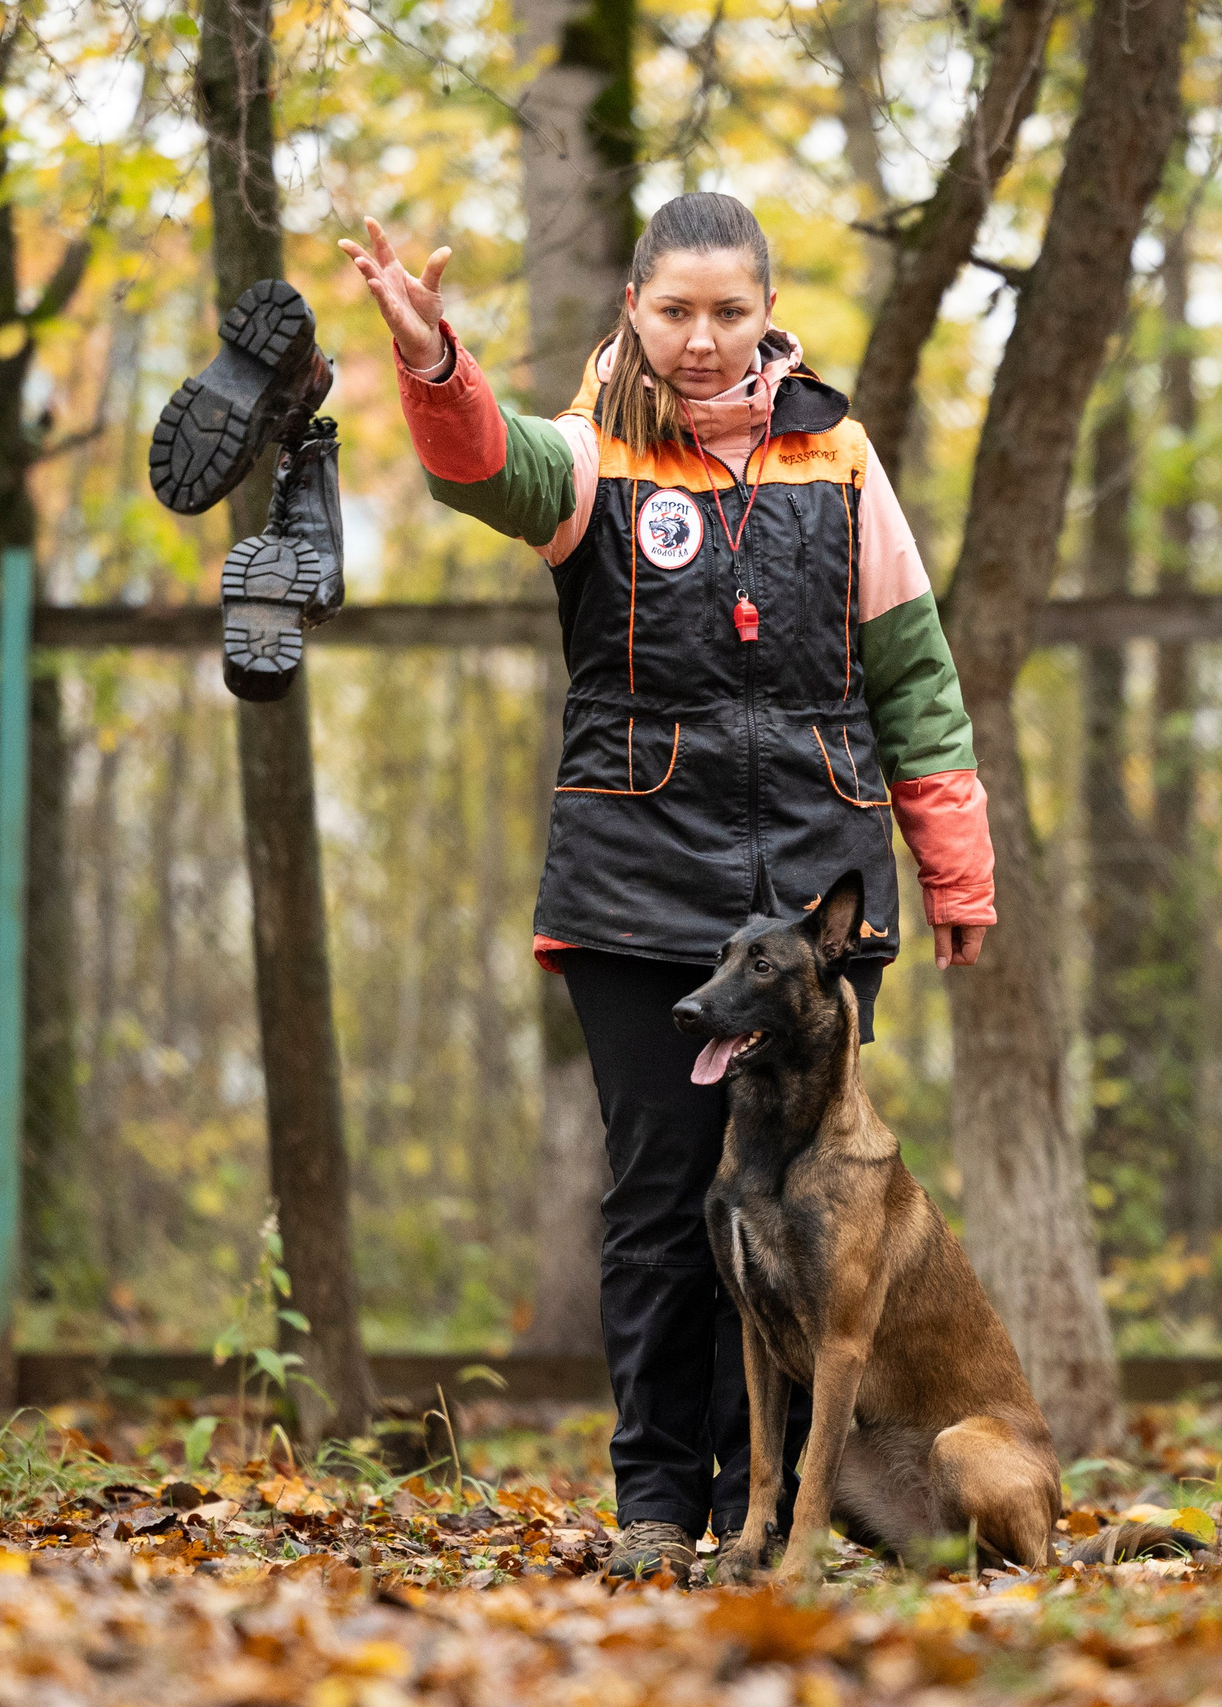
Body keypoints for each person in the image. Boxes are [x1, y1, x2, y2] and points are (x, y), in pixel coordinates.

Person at [344, 193, 996, 1583]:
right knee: (661, 1198)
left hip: (813, 907)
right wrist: (429, 361)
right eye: (675, 311)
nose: (703, 340)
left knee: (800, 1207)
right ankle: (656, 1502)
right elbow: (484, 469)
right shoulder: (590, 455)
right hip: (638, 889)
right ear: (633, 309)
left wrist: (956, 863)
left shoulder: (839, 454)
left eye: (730, 312)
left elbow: (914, 675)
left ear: (768, 314)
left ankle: (764, 1517)